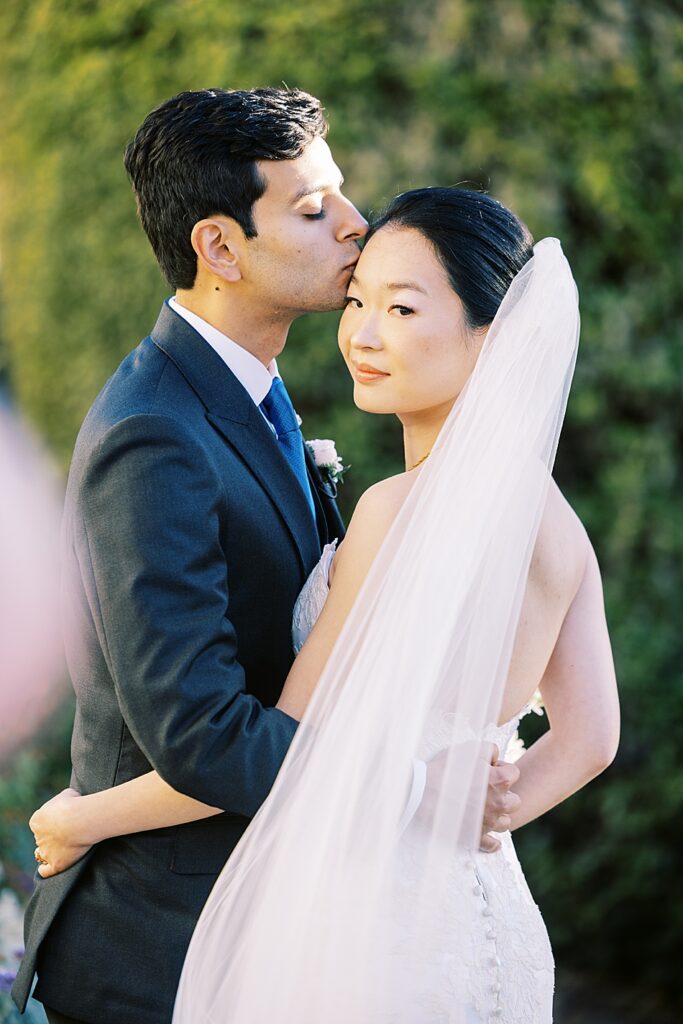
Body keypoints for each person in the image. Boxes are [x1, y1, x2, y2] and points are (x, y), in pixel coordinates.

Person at [29, 187, 619, 1023]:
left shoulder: (396, 509)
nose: (362, 334)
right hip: (481, 919)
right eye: (357, 301)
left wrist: (84, 818)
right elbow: (592, 740)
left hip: (365, 920)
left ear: (495, 338)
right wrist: (476, 812)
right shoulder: (558, 527)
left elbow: (290, 756)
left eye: (402, 308)